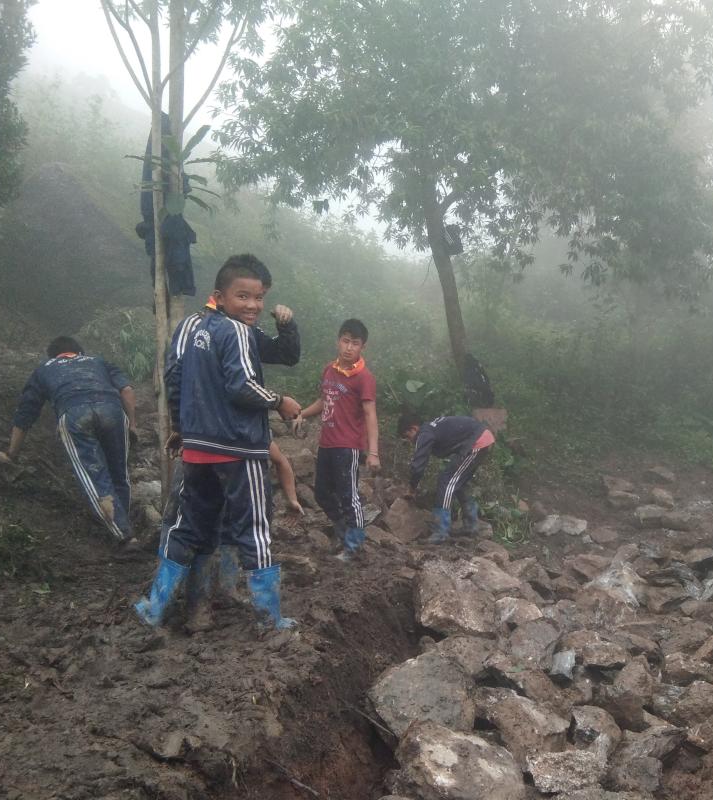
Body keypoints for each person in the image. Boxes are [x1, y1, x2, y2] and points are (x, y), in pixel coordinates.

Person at [135, 254, 302, 629]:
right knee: (254, 528)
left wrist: (182, 427)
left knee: (187, 526)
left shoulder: (189, 328)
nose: (254, 306)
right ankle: (269, 619)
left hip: (197, 449)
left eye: (258, 298)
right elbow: (240, 385)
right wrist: (279, 401)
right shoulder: (239, 331)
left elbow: (174, 377)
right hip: (239, 447)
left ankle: (156, 608)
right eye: (244, 297)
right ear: (220, 295)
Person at [0, 337, 137, 542]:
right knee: (119, 473)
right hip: (112, 411)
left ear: (53, 355)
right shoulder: (97, 361)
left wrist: (11, 454)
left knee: (93, 476)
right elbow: (127, 390)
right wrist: (132, 424)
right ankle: (123, 523)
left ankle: (124, 537)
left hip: (74, 413)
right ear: (79, 351)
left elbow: (25, 413)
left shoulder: (44, 369)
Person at [294, 319, 379, 561]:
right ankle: (343, 535)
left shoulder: (364, 377)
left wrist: (373, 452)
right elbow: (325, 400)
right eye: (345, 341)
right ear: (338, 341)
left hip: (348, 447)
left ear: (362, 347)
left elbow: (370, 414)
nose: (349, 347)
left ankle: (355, 547)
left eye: (355, 343)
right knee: (321, 493)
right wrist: (302, 413)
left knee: (348, 496)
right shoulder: (329, 370)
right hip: (327, 443)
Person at [398, 412, 494, 543]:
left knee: (447, 481)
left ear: (413, 428)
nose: (409, 440)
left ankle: (441, 531)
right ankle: (471, 525)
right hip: (479, 438)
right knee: (457, 482)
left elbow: (418, 465)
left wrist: (412, 488)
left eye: (407, 436)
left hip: (476, 441)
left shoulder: (424, 434)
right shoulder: (431, 428)